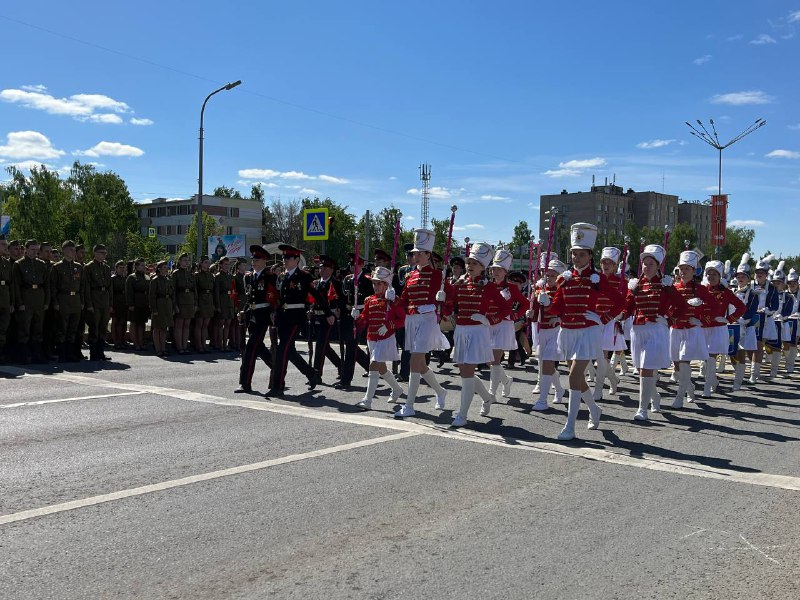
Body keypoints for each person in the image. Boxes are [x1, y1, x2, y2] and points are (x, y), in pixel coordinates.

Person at [546, 224, 624, 440]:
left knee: (573, 377)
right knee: (578, 378)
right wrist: (545, 303)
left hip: (588, 331)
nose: (576, 258)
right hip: (568, 331)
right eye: (574, 254)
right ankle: (594, 409)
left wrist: (603, 318)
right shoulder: (564, 279)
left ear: (590, 255)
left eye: (581, 254)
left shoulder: (598, 279)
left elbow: (620, 302)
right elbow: (557, 307)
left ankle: (570, 426)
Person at [624, 245, 686, 421]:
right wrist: (618, 315)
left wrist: (668, 317)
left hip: (656, 330)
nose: (647, 266)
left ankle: (641, 409)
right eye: (645, 263)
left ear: (658, 265)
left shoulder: (665, 284)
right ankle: (655, 397)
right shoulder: (636, 284)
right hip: (638, 329)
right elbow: (628, 306)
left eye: (651, 263)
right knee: (641, 368)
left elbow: (681, 306)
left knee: (646, 369)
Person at [449, 243, 509, 427]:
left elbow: (505, 308)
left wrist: (489, 320)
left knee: (467, 372)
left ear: (483, 267)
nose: (470, 265)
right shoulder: (459, 283)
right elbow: (450, 305)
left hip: (477, 331)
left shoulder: (488, 287)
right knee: (464, 371)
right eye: (469, 262)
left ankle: (462, 414)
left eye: (474, 263)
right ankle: (487, 397)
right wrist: (443, 298)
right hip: (460, 330)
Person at [394, 229, 449, 418]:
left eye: (419, 253)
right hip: (412, 320)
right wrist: (391, 300)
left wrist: (442, 300)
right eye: (413, 254)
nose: (415, 257)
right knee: (419, 364)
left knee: (414, 360)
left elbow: (451, 300)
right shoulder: (410, 276)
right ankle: (441, 391)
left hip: (427, 320)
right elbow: (404, 300)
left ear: (428, 255)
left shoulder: (438, 276)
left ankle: (409, 405)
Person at [267, 244, 327, 397]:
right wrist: (274, 312)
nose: (284, 260)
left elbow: (317, 295)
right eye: (284, 257)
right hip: (283, 318)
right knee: (290, 351)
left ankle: (277, 386)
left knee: (282, 350)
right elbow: (280, 298)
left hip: (296, 317)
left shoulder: (304, 276)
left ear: (296, 259)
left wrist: (328, 313)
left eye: (288, 257)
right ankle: (311, 373)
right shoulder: (282, 276)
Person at [669, 250, 719, 408]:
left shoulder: (700, 289)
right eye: (681, 269)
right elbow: (667, 307)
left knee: (684, 363)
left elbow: (716, 307)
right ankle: (690, 389)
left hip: (691, 330)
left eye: (687, 269)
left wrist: (702, 319)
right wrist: (670, 316)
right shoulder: (673, 287)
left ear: (693, 271)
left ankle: (679, 396)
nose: (683, 272)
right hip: (675, 329)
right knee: (677, 367)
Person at [355, 266, 405, 409]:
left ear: (386, 284)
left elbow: (402, 319)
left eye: (379, 283)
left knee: (374, 365)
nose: (375, 286)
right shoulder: (369, 300)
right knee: (382, 368)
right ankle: (397, 389)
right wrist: (357, 318)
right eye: (374, 283)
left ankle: (367, 400)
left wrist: (389, 326)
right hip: (372, 338)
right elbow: (365, 319)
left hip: (386, 338)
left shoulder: (393, 300)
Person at [237, 245, 279, 393]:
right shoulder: (248, 277)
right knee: (259, 347)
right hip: (251, 315)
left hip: (263, 315)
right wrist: (243, 310)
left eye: (257, 259)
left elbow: (274, 297)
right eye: (253, 258)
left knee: (250, 348)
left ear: (265, 261)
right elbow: (249, 297)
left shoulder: (270, 277)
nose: (254, 261)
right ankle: (277, 370)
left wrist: (274, 312)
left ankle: (245, 382)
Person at [700, 260, 746, 396]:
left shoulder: (726, 292)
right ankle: (713, 380)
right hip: (702, 328)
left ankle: (707, 387)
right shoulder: (701, 290)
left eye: (714, 274)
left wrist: (728, 319)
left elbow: (742, 307)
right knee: (705, 358)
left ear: (720, 276)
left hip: (718, 329)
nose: (711, 276)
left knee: (711, 357)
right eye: (709, 273)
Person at [529, 258, 567, 411]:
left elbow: (567, 310)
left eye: (553, 275)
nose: (549, 278)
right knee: (547, 365)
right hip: (542, 331)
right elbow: (535, 314)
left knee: (547, 364)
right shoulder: (539, 290)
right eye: (547, 275)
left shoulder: (563, 291)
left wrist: (557, 315)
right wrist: (531, 313)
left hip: (556, 331)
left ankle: (542, 400)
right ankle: (559, 389)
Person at [487, 248, 524, 400]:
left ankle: (491, 394)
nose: (496, 272)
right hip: (489, 324)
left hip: (503, 325)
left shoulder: (512, 288)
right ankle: (506, 381)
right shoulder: (487, 286)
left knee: (495, 360)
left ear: (505, 272)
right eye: (494, 269)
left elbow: (525, 304)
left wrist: (515, 315)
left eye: (499, 270)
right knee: (490, 360)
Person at [593, 247, 627, 400]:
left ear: (615, 265)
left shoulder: (620, 282)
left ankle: (598, 389)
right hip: (593, 320)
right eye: (603, 262)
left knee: (603, 357)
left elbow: (625, 302)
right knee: (592, 357)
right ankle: (613, 379)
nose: (606, 265)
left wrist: (618, 314)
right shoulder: (595, 279)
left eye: (610, 263)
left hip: (609, 321)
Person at [13, 240, 50, 363]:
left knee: (38, 328)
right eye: (32, 249)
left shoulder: (41, 264)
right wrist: (20, 303)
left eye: (36, 250)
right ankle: (23, 355)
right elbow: (16, 286)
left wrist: (46, 302)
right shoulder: (19, 264)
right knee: (24, 328)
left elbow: (46, 284)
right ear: (26, 249)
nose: (35, 252)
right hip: (26, 297)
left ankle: (37, 355)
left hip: (39, 297)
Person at [49, 240, 84, 362]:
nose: (73, 252)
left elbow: (82, 286)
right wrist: (55, 302)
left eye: (74, 250)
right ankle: (62, 354)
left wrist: (82, 301)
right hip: (63, 299)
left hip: (75, 299)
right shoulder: (57, 267)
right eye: (71, 250)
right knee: (62, 328)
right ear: (64, 251)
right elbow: (53, 286)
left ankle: (70, 353)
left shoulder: (78, 267)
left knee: (73, 328)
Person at [311, 255, 343, 381]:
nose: (322, 270)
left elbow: (340, 301)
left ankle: (316, 374)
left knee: (320, 345)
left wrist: (335, 313)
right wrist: (311, 310)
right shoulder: (317, 283)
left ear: (331, 269)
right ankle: (341, 365)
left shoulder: (335, 283)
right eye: (320, 267)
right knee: (325, 347)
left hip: (329, 318)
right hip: (317, 318)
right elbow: (315, 300)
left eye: (325, 268)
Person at [731, 254, 760, 390]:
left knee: (741, 351)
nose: (740, 278)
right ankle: (738, 372)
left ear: (748, 279)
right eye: (738, 276)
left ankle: (739, 380)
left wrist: (741, 321)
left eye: (743, 276)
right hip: (731, 324)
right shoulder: (731, 291)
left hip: (745, 325)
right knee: (731, 352)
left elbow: (752, 310)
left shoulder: (753, 294)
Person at [750, 254, 779, 383]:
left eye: (762, 272)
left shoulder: (772, 288)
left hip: (765, 320)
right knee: (749, 347)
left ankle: (754, 373)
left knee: (758, 345)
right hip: (749, 319)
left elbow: (775, 306)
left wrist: (766, 310)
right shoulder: (749, 285)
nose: (759, 275)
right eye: (757, 272)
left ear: (766, 274)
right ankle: (753, 368)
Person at [83, 244, 113, 361]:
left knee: (103, 327)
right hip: (94, 300)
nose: (104, 255)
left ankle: (100, 352)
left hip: (104, 300)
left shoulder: (106, 268)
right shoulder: (89, 267)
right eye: (102, 253)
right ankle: (94, 353)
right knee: (94, 327)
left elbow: (110, 287)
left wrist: (110, 303)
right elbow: (87, 288)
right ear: (95, 253)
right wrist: (89, 304)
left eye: (105, 253)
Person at [172, 253, 196, 354]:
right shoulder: (175, 273)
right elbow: (173, 291)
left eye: (187, 261)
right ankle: (179, 347)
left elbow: (195, 290)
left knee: (186, 325)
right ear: (180, 262)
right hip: (180, 301)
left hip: (189, 301)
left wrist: (196, 304)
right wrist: (175, 305)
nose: (186, 262)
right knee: (179, 325)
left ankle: (185, 346)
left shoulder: (190, 274)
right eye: (184, 260)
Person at [149, 261, 175, 357]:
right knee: (157, 328)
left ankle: (163, 347)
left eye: (167, 267)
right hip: (159, 304)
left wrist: (172, 306)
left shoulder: (168, 279)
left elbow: (172, 294)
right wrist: (154, 309)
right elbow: (152, 296)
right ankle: (158, 348)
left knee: (164, 327)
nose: (166, 269)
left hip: (167, 304)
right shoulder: (155, 280)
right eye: (164, 267)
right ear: (159, 269)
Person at [126, 258, 150, 352]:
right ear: (136, 266)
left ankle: (141, 342)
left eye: (144, 265)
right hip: (135, 303)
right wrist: (130, 304)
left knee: (142, 324)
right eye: (142, 265)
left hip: (144, 303)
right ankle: (136, 343)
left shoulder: (147, 277)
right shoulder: (132, 277)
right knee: (134, 323)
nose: (144, 267)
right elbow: (129, 292)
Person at [212, 256, 236, 351]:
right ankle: (219, 344)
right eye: (225, 264)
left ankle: (225, 344)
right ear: (221, 265)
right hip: (222, 301)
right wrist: (217, 305)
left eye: (228, 264)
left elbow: (233, 291)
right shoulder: (218, 276)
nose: (227, 266)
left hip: (230, 301)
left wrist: (234, 303)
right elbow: (216, 292)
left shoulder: (230, 276)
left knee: (227, 324)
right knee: (220, 324)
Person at [194, 255, 215, 352]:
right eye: (205, 262)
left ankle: (204, 344)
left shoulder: (211, 275)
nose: (207, 264)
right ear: (201, 263)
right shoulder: (197, 276)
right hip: (201, 300)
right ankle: (198, 345)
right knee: (199, 324)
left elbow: (213, 290)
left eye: (208, 262)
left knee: (205, 324)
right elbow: (195, 291)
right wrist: (196, 304)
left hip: (209, 300)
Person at [0, 236, 14, 363]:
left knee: (3, 328)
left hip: (4, 299)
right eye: (3, 244)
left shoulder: (6, 263)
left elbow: (11, 284)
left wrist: (11, 302)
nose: (6, 247)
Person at [111, 260, 128, 349]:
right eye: (120, 267)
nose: (122, 269)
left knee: (123, 323)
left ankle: (122, 340)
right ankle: (116, 341)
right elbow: (111, 292)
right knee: (115, 323)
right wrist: (111, 305)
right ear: (116, 268)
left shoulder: (125, 278)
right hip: (116, 302)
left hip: (124, 303)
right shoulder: (113, 278)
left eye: (123, 267)